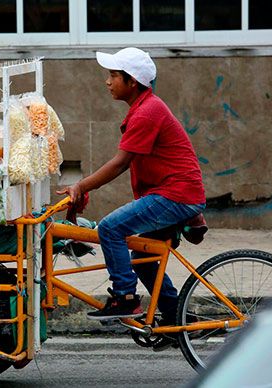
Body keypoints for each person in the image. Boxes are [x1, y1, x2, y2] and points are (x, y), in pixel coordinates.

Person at [57, 47, 206, 350]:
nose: (107, 81)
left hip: (175, 195)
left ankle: (125, 298)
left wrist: (81, 186)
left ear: (133, 81)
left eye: (113, 75)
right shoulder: (143, 108)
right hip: (174, 194)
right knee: (143, 259)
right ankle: (176, 319)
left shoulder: (148, 111)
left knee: (111, 228)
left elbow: (120, 163)